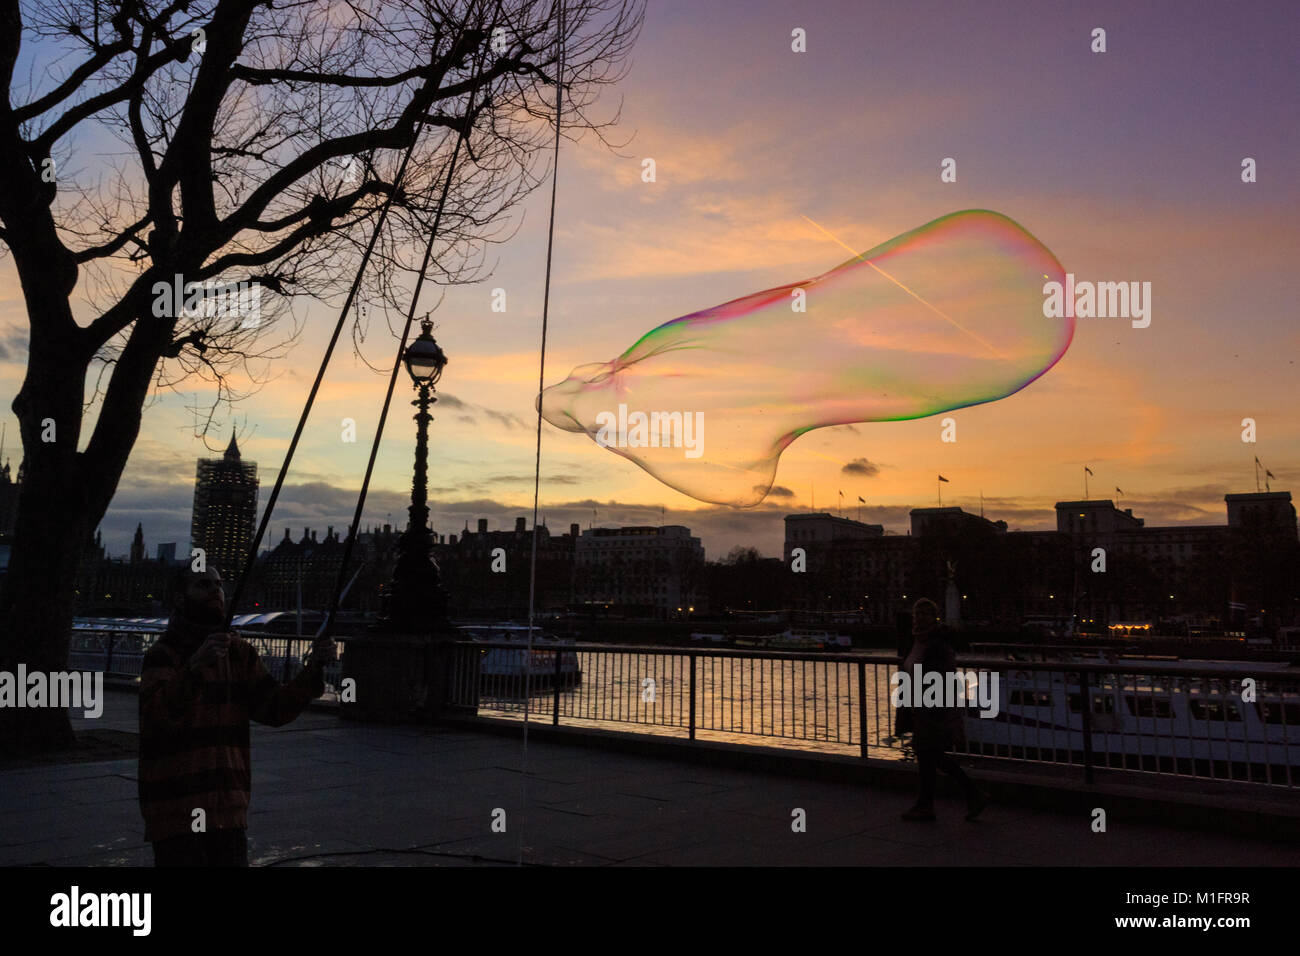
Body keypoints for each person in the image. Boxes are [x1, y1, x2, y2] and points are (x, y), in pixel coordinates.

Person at [138, 565, 337, 865]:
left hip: (227, 806)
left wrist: (313, 671)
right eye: (203, 584)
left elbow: (274, 708)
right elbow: (156, 718)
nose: (216, 590)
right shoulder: (163, 655)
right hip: (176, 807)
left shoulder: (240, 653)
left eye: (219, 584)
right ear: (180, 598)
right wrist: (195, 667)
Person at [899, 598, 988, 822]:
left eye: (925, 614)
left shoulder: (937, 644)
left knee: (932, 756)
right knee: (929, 757)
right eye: (917, 613)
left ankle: (967, 795)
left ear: (934, 617)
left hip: (932, 708)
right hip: (919, 707)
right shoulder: (917, 641)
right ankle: (931, 803)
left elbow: (941, 678)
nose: (919, 618)